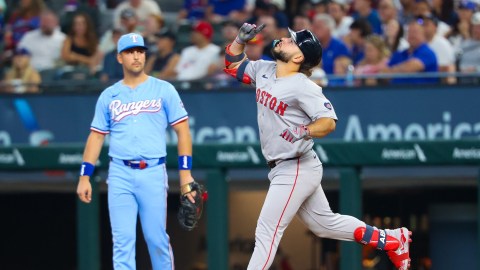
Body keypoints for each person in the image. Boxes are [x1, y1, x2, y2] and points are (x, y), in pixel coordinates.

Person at [223, 22, 412, 270]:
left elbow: (328, 122)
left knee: (267, 231)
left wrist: (304, 130)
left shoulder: (304, 86)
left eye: (291, 41)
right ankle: (391, 239)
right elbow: (232, 66)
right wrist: (239, 41)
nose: (283, 39)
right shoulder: (265, 70)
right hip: (286, 166)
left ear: (298, 57)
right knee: (324, 225)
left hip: (295, 165)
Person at [76, 33, 196, 269]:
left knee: (156, 239)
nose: (136, 56)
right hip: (119, 172)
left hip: (152, 171)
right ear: (119, 58)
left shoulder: (163, 89)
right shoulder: (108, 95)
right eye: (130, 52)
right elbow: (96, 136)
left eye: (140, 51)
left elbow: (183, 131)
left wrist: (185, 175)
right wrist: (84, 175)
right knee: (122, 243)